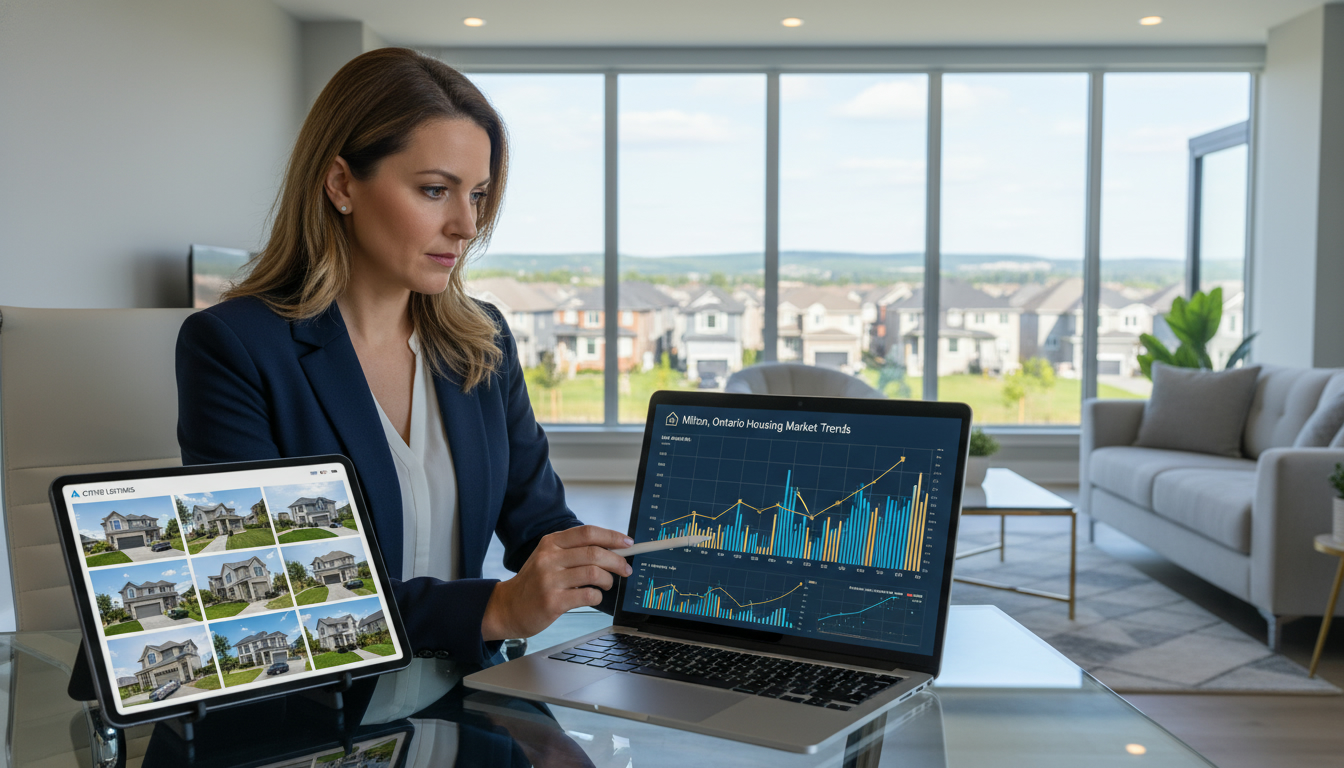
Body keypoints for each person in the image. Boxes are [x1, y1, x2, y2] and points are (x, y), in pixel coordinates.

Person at [174, 47, 631, 722]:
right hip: (310, 722)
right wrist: (498, 607)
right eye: (434, 190)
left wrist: (676, 578)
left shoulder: (483, 342)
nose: (468, 226)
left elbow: (539, 529)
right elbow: (278, 594)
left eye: (476, 195)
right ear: (341, 184)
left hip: (467, 707)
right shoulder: (236, 348)